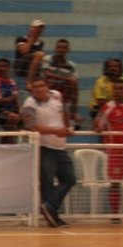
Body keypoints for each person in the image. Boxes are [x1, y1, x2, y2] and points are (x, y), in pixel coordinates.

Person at [22, 77, 75, 227]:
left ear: (47, 86)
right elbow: (31, 126)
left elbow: (64, 110)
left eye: (41, 86)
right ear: (31, 90)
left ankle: (50, 206)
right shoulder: (29, 104)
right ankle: (53, 217)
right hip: (44, 147)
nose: (38, 89)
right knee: (47, 183)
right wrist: (55, 131)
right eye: (35, 87)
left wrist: (67, 127)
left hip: (60, 146)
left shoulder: (57, 95)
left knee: (70, 179)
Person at [95, 79, 123, 223]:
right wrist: (99, 128)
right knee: (115, 183)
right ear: (112, 91)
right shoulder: (107, 107)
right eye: (116, 89)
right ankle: (115, 215)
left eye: (122, 88)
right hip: (115, 153)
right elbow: (97, 126)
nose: (120, 91)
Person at [40, 39, 79, 121]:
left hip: (63, 90)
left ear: (68, 50)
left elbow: (73, 79)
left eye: (64, 47)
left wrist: (69, 80)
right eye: (59, 47)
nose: (61, 49)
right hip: (48, 87)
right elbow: (47, 73)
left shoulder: (71, 65)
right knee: (50, 80)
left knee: (74, 83)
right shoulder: (48, 59)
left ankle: (73, 113)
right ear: (55, 49)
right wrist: (64, 78)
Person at [0, 58, 22, 142]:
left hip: (13, 110)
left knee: (25, 119)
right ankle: (5, 141)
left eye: (4, 66)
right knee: (13, 118)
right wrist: (10, 99)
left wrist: (20, 112)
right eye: (0, 66)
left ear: (8, 68)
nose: (2, 68)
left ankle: (9, 142)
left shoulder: (12, 82)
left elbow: (16, 99)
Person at [14, 19, 46, 87]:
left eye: (40, 29)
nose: (38, 30)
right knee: (39, 54)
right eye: (37, 28)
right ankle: (29, 82)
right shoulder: (21, 39)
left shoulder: (40, 43)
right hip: (21, 65)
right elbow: (24, 51)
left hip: (32, 67)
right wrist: (31, 38)